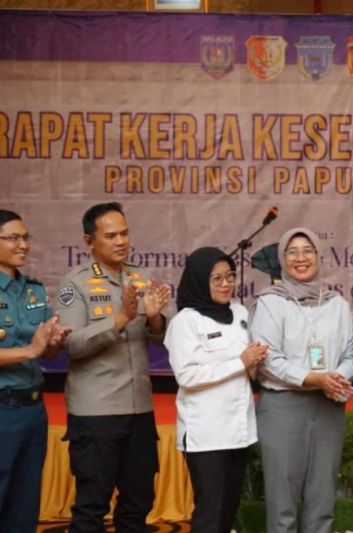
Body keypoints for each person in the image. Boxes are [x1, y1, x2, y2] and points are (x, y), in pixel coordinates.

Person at [56, 202, 171, 533]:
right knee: (92, 506)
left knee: (139, 502)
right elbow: (72, 345)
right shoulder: (75, 284)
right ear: (89, 241)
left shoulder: (141, 277)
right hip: (97, 413)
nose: (121, 241)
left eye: (124, 233)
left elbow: (162, 339)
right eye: (110, 236)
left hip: (139, 409)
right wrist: (119, 319)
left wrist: (154, 319)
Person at [249, 227, 353, 533]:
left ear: (319, 256)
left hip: (328, 406)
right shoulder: (271, 302)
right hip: (283, 407)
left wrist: (336, 379)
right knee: (282, 504)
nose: (301, 258)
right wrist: (313, 378)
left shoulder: (337, 303)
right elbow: (268, 359)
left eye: (308, 250)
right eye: (292, 252)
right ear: (282, 259)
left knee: (323, 500)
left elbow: (351, 354)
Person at [165, 247, 267, 533]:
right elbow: (187, 375)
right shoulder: (186, 321)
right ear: (200, 280)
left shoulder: (241, 312)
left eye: (230, 276)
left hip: (240, 431)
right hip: (206, 435)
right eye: (217, 279)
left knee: (228, 511)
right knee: (209, 514)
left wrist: (256, 361)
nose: (226, 284)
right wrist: (240, 362)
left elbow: (248, 368)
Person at [0, 209, 71, 532]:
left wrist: (54, 341)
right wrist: (31, 350)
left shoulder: (34, 290)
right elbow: (33, 350)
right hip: (3, 407)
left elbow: (47, 352)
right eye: (13, 238)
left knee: (25, 503)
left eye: (26, 237)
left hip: (33, 409)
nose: (23, 245)